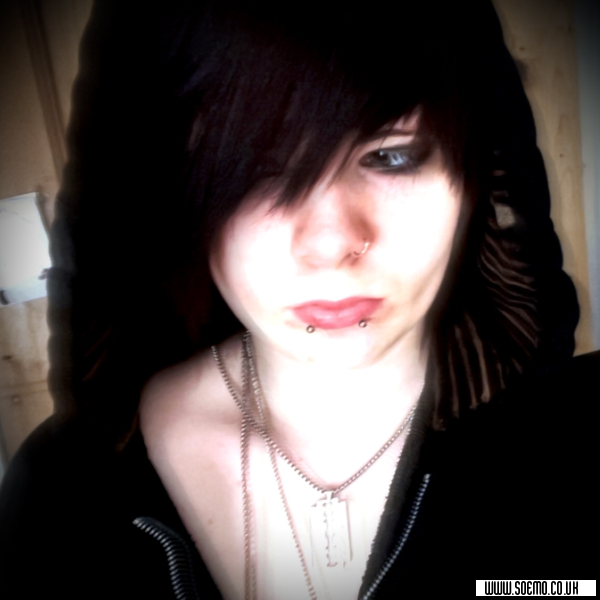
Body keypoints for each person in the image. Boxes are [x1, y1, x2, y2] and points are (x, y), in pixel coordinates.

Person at [0, 1, 596, 598]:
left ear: (475, 178)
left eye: (391, 156)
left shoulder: (577, 445)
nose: (330, 245)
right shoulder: (62, 492)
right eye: (255, 168)